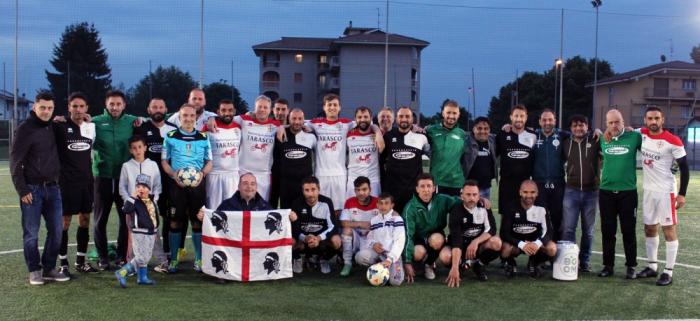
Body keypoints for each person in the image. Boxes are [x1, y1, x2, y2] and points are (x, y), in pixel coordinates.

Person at [11, 92, 70, 285]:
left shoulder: (54, 126)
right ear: (35, 107)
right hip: (32, 190)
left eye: (50, 108)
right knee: (31, 233)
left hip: (53, 189)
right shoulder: (24, 129)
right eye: (42, 107)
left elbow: (76, 126)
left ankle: (49, 268)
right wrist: (23, 190)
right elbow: (15, 162)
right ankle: (34, 270)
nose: (46, 111)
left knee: (57, 230)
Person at [636, 106, 689, 286]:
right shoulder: (641, 133)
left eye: (656, 118)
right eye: (650, 118)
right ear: (645, 120)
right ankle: (652, 267)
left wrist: (681, 194)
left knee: (668, 229)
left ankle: (668, 271)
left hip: (667, 191)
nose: (653, 122)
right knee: (649, 228)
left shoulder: (673, 141)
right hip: (649, 190)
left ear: (662, 120)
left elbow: (685, 168)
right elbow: (623, 130)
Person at [161, 103, 213, 273]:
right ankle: (174, 260)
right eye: (185, 116)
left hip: (197, 185)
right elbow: (164, 161)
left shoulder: (204, 137)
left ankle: (198, 259)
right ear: (180, 117)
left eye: (192, 116)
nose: (189, 119)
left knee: (197, 221)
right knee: (175, 221)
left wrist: (202, 175)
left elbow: (209, 162)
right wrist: (174, 175)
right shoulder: (170, 136)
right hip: (176, 185)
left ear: (196, 117)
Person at [92, 90, 138, 270]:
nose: (115, 107)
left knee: (124, 219)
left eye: (118, 104)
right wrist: (61, 119)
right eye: (112, 104)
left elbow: (159, 117)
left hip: (123, 178)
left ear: (124, 105)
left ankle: (121, 256)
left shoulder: (131, 121)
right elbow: (76, 122)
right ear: (106, 105)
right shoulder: (95, 122)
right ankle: (103, 257)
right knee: (100, 220)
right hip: (101, 176)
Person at [54, 92, 98, 276]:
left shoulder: (90, 127)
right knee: (64, 222)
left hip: (86, 181)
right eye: (75, 106)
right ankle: (63, 263)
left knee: (85, 220)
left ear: (86, 108)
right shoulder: (60, 126)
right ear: (69, 108)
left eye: (81, 106)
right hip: (66, 182)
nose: (78, 109)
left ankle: (81, 261)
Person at [133, 97, 180, 266]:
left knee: (169, 217)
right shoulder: (141, 128)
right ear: (149, 110)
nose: (158, 110)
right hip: (147, 183)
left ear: (166, 109)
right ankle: (139, 256)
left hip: (169, 181)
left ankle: (169, 253)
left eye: (161, 107)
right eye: (155, 107)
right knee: (146, 219)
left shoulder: (174, 129)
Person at [598, 109, 642, 279]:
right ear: (606, 124)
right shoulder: (602, 138)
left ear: (623, 122)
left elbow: (650, 140)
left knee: (628, 230)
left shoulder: (634, 137)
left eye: (617, 122)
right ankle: (608, 266)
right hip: (606, 192)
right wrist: (597, 131)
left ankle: (631, 266)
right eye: (610, 123)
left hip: (628, 193)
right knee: (608, 231)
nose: (614, 125)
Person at [118, 135, 168, 273]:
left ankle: (163, 262)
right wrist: (130, 201)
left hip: (149, 207)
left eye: (140, 147)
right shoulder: (126, 166)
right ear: (130, 150)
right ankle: (132, 265)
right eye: (134, 148)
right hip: (133, 209)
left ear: (145, 147)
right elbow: (122, 187)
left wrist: (153, 201)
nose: (138, 150)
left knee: (154, 234)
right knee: (132, 236)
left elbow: (158, 185)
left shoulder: (152, 165)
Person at [402, 173, 460, 283]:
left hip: (435, 235)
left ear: (434, 188)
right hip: (418, 238)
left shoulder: (442, 200)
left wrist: (479, 199)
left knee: (437, 240)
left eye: (429, 186)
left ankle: (429, 264)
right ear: (417, 189)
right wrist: (407, 262)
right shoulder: (410, 208)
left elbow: (460, 201)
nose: (426, 190)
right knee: (417, 253)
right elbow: (408, 235)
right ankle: (419, 265)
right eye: (422, 186)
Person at [560, 114, 600, 272]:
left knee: (588, 231)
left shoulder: (596, 140)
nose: (578, 128)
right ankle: (571, 259)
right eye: (575, 125)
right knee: (569, 229)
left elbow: (611, 135)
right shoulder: (565, 143)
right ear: (570, 128)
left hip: (592, 192)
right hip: (571, 191)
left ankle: (584, 261)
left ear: (587, 127)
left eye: (581, 125)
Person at [445, 180, 501, 286]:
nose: (471, 198)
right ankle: (461, 265)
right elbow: (456, 241)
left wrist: (476, 241)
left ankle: (478, 265)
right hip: (460, 245)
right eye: (468, 194)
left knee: (496, 243)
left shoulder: (484, 207)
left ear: (479, 195)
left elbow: (491, 230)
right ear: (462, 196)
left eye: (474, 195)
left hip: (477, 246)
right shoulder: (456, 211)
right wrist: (454, 267)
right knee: (445, 256)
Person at [500, 180, 557, 279]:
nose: (529, 195)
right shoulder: (511, 207)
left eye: (532, 192)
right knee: (504, 248)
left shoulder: (542, 207)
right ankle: (510, 263)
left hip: (535, 244)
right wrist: (522, 244)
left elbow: (548, 231)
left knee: (552, 248)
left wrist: (536, 244)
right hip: (516, 243)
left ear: (537, 193)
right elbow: (504, 233)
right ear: (520, 192)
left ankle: (534, 262)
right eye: (525, 192)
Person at [381, 106, 430, 214]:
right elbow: (381, 162)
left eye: (407, 116)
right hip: (392, 190)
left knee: (411, 224)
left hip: (412, 191)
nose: (404, 119)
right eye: (401, 116)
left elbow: (427, 162)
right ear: (396, 119)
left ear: (412, 119)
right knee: (393, 224)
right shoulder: (388, 137)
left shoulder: (422, 137)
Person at [114, 175, 160, 288]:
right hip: (139, 232)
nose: (141, 189)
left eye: (144, 186)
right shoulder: (135, 201)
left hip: (151, 232)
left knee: (146, 257)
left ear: (149, 189)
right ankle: (122, 272)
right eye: (138, 186)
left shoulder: (151, 200)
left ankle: (142, 277)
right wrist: (132, 197)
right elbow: (126, 210)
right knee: (140, 257)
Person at [290, 176, 341, 274]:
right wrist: (305, 237)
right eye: (307, 190)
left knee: (337, 241)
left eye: (313, 189)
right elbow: (293, 228)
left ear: (319, 189)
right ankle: (298, 258)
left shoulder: (326, 202)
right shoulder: (296, 203)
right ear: (302, 191)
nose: (310, 194)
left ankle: (324, 259)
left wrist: (318, 238)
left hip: (321, 240)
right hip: (304, 239)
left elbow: (333, 226)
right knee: (290, 241)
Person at [531, 109, 569, 241]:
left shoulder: (563, 135)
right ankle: (536, 256)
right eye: (544, 120)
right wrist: (507, 126)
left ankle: (556, 252)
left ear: (555, 121)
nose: (547, 122)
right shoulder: (533, 136)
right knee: (538, 218)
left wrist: (596, 131)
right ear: (540, 122)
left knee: (557, 218)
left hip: (558, 184)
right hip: (538, 185)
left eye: (550, 120)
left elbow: (581, 133)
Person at [234, 95, 281, 200]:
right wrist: (211, 119)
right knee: (240, 206)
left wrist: (281, 126)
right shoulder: (243, 120)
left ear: (270, 110)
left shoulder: (275, 125)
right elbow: (224, 120)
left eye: (265, 107)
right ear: (254, 108)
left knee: (261, 209)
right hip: (243, 172)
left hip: (263, 175)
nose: (262, 110)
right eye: (259, 107)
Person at [354, 193, 405, 286]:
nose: (383, 206)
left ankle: (387, 268)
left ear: (392, 205)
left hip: (392, 255)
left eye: (386, 203)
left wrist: (390, 259)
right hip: (378, 253)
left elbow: (399, 241)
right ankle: (378, 268)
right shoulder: (374, 220)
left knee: (395, 282)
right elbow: (369, 237)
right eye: (380, 203)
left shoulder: (397, 219)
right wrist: (373, 244)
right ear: (377, 205)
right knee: (360, 257)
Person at [271, 108, 316, 209]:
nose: (296, 122)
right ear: (289, 119)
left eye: (300, 119)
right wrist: (281, 126)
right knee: (287, 216)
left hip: (305, 184)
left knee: (304, 216)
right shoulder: (280, 134)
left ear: (304, 120)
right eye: (293, 118)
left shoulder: (311, 136)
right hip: (286, 185)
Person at [495, 104, 536, 215]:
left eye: (522, 116)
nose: (519, 119)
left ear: (526, 117)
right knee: (506, 218)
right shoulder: (502, 135)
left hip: (525, 185)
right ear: (511, 117)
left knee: (524, 217)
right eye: (516, 116)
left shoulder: (533, 135)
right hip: (506, 185)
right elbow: (493, 153)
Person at [201, 99, 241, 209]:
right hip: (214, 174)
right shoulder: (208, 127)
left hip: (233, 175)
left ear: (234, 111)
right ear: (218, 112)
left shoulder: (239, 127)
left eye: (230, 110)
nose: (227, 113)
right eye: (223, 110)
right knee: (213, 210)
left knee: (232, 210)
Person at [425, 99, 467, 196]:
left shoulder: (462, 134)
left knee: (456, 211)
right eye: (448, 112)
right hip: (437, 181)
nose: (451, 116)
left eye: (454, 113)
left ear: (459, 114)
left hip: (457, 182)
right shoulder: (431, 130)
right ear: (443, 113)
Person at [339, 176, 378, 276]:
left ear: (370, 189)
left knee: (361, 258)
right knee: (346, 230)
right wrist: (361, 223)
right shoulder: (350, 202)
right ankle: (347, 264)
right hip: (357, 237)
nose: (361, 193)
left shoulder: (378, 202)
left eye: (364, 189)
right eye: (358, 190)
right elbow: (344, 222)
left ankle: (379, 264)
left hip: (373, 238)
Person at [346, 107, 383, 198]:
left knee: (374, 211)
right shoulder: (349, 134)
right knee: (352, 210)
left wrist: (378, 132)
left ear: (370, 118)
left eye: (366, 117)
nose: (362, 119)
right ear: (355, 119)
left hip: (373, 180)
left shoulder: (376, 134)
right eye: (359, 117)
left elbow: (381, 148)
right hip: (353, 180)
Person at [462, 117, 497, 199]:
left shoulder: (493, 140)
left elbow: (504, 136)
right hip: (468, 188)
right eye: (479, 128)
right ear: (473, 129)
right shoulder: (465, 141)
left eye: (486, 129)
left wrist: (507, 126)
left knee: (483, 211)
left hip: (485, 188)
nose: (483, 131)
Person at [269, 98, 290, 206]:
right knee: (271, 203)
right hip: (272, 172)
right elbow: (249, 115)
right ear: (273, 110)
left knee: (288, 205)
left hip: (289, 173)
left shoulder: (294, 127)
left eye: (283, 109)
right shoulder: (267, 125)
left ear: (288, 111)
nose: (280, 112)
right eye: (277, 109)